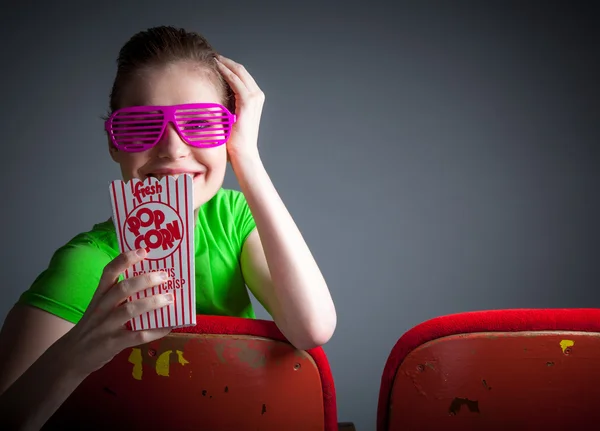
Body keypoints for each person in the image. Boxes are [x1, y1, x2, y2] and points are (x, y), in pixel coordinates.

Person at [0, 26, 336, 429]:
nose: (173, 148)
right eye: (141, 125)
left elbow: (312, 326)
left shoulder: (233, 220)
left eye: (202, 123)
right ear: (114, 144)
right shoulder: (87, 264)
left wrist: (246, 155)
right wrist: (79, 350)